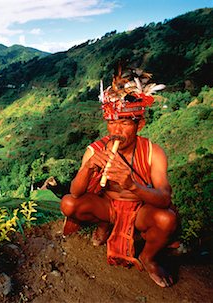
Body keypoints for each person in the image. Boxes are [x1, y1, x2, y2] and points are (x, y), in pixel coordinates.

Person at [60, 67, 178, 288]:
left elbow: (164, 199)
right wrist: (87, 169)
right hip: (108, 206)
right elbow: (75, 193)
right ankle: (105, 224)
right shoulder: (95, 149)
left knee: (167, 219)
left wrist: (132, 186)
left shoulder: (154, 152)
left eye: (124, 124)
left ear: (139, 125)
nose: (116, 130)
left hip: (140, 210)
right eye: (112, 123)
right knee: (68, 203)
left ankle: (149, 258)